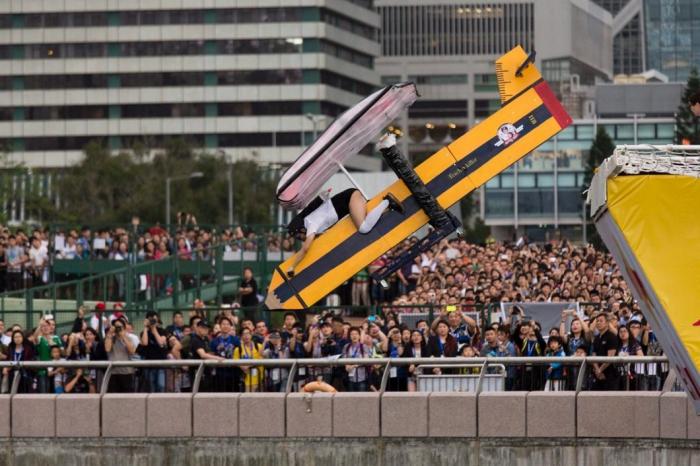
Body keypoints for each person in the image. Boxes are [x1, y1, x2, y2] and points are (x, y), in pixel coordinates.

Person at [285, 186, 405, 277]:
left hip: (350, 198)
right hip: (348, 201)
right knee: (367, 222)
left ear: (300, 228)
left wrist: (292, 267)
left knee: (364, 228)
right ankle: (389, 207)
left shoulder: (310, 224)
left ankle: (387, 201)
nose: (301, 238)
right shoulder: (310, 222)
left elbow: (305, 248)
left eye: (299, 236)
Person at [104, 318, 138, 393]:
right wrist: (110, 334)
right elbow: (107, 349)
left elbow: (132, 351)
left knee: (127, 396)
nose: (118, 329)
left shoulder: (129, 338)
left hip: (127, 372)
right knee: (112, 396)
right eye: (116, 327)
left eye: (120, 327)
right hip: (113, 372)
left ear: (124, 328)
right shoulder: (110, 338)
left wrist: (123, 337)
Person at [139, 311, 168, 393]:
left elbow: (161, 343)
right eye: (151, 320)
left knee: (161, 386)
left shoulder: (162, 331)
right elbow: (145, 343)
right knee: (151, 387)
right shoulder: (144, 332)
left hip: (161, 363)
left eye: (154, 320)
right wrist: (145, 327)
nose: (153, 322)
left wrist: (154, 330)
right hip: (149, 363)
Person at [591, 312, 620, 391]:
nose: (598, 323)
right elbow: (594, 355)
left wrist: (600, 370)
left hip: (610, 373)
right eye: (597, 321)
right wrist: (597, 371)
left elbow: (610, 356)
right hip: (598, 374)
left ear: (607, 323)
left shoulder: (612, 336)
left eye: (601, 321)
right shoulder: (596, 338)